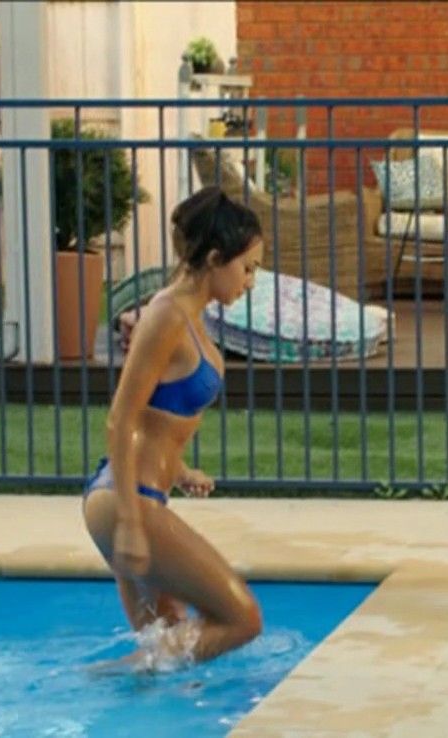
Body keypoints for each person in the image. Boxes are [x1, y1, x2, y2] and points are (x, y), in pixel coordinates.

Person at [82, 185, 264, 667]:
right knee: (242, 619)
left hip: (138, 497)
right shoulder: (167, 316)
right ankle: (97, 677)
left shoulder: (183, 314)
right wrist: (131, 524)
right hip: (128, 502)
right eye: (247, 268)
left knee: (163, 657)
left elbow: (154, 417)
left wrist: (180, 471)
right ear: (215, 258)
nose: (250, 282)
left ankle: (103, 684)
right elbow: (120, 418)